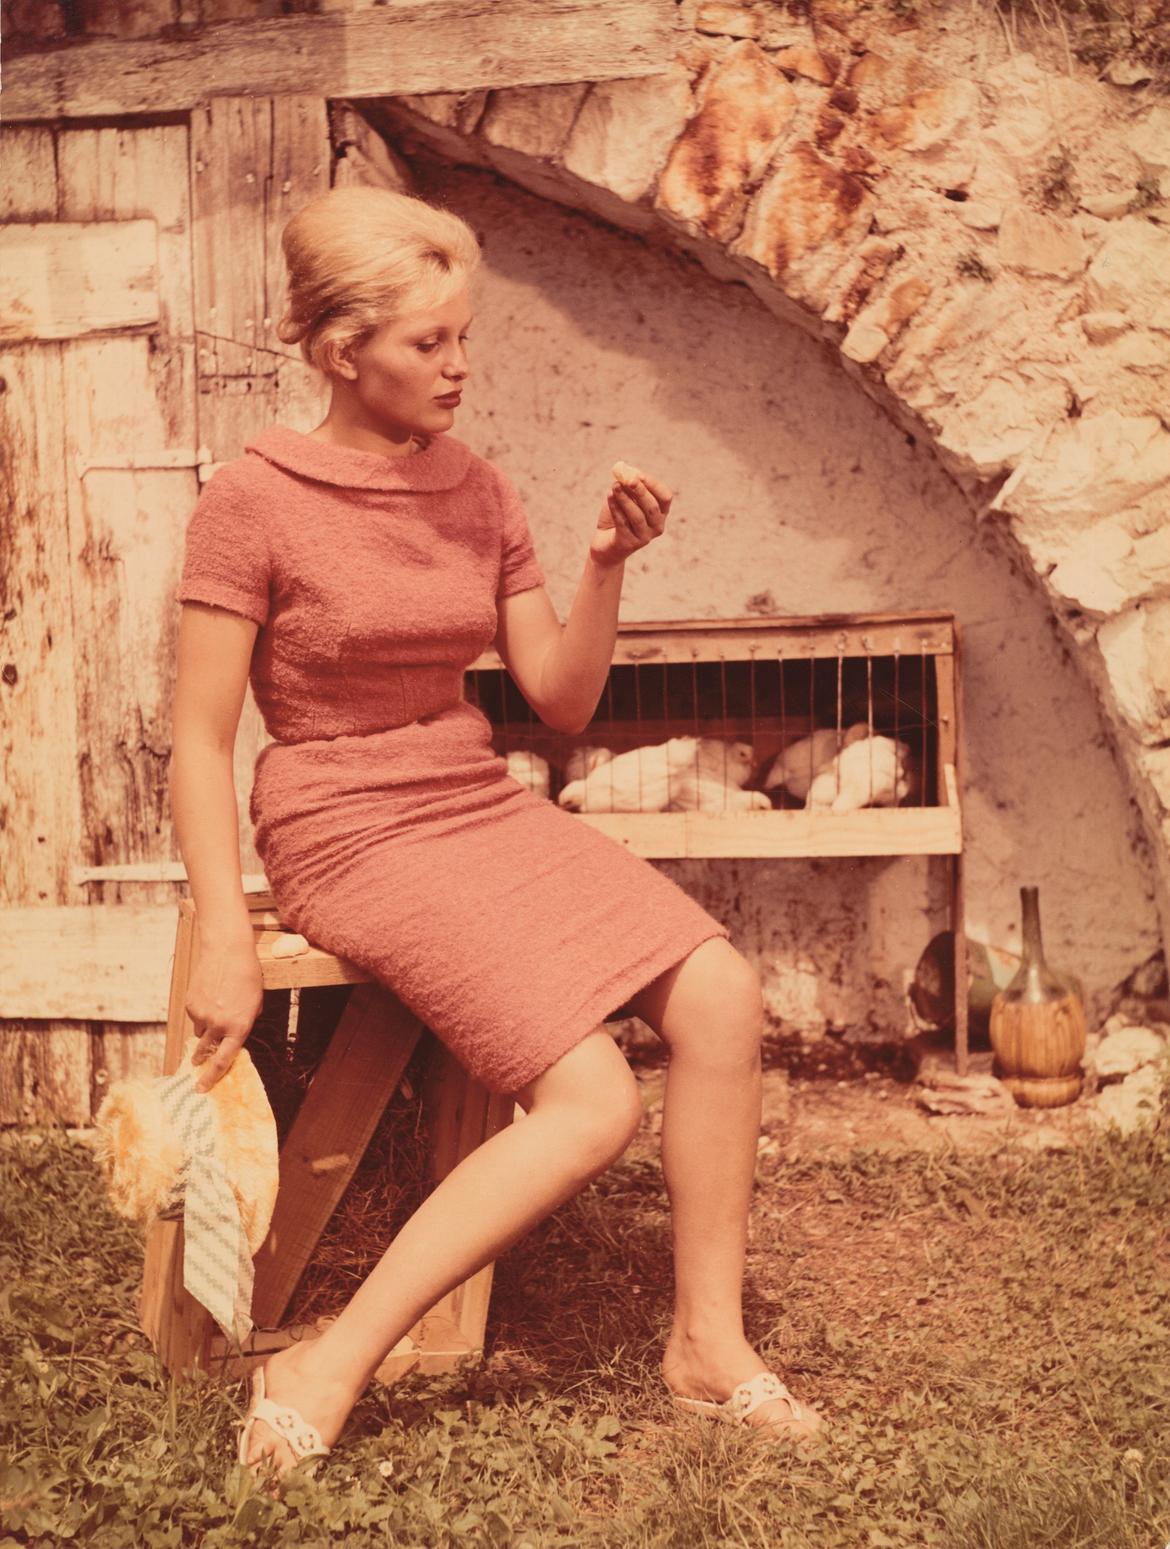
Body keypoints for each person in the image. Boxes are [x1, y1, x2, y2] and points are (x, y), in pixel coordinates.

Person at [169, 183, 824, 1483]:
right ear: (340, 348)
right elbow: (198, 736)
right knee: (593, 1097)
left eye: (464, 336)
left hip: (471, 798)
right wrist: (223, 931)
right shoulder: (249, 500)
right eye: (430, 342)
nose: (459, 365)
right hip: (342, 822)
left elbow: (561, 699)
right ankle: (326, 1364)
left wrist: (602, 563)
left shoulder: (479, 491)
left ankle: (705, 1343)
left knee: (721, 991)